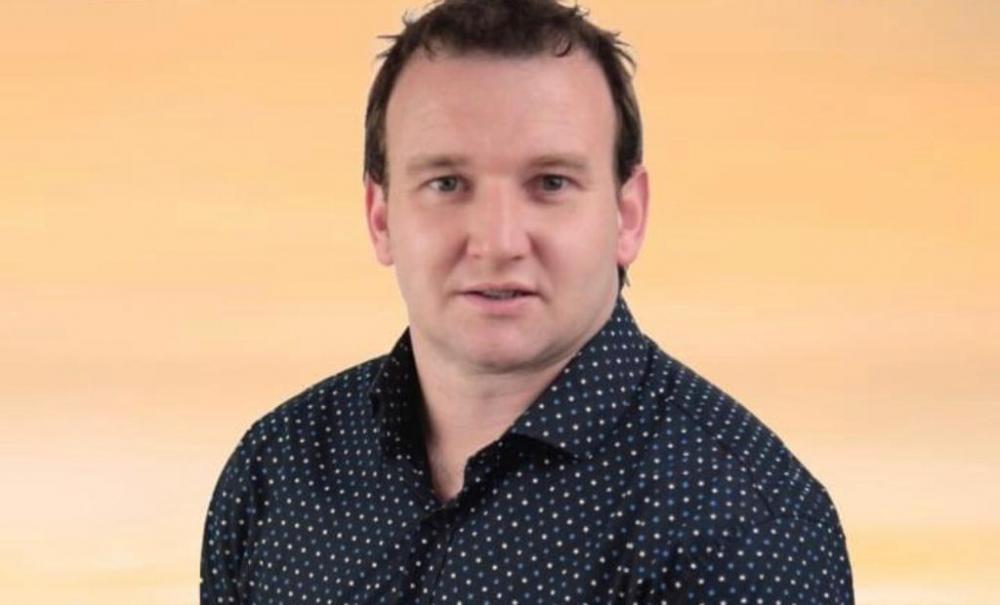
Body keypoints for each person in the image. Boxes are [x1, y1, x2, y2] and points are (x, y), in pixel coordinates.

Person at [200, 0, 855, 603]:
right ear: (380, 217)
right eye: (447, 182)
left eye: (550, 183)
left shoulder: (741, 522)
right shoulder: (277, 468)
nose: (497, 242)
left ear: (627, 215)